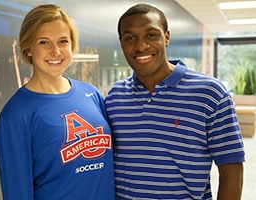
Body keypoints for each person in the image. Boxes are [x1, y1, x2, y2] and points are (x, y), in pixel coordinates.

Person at [105, 3, 245, 200]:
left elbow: (231, 169)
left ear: (167, 37)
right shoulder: (114, 97)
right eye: (130, 38)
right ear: (121, 43)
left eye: (151, 35)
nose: (141, 45)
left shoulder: (210, 94)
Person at [0, 4, 114, 200]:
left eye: (63, 41)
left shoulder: (91, 94)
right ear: (28, 48)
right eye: (44, 42)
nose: (55, 51)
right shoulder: (15, 116)